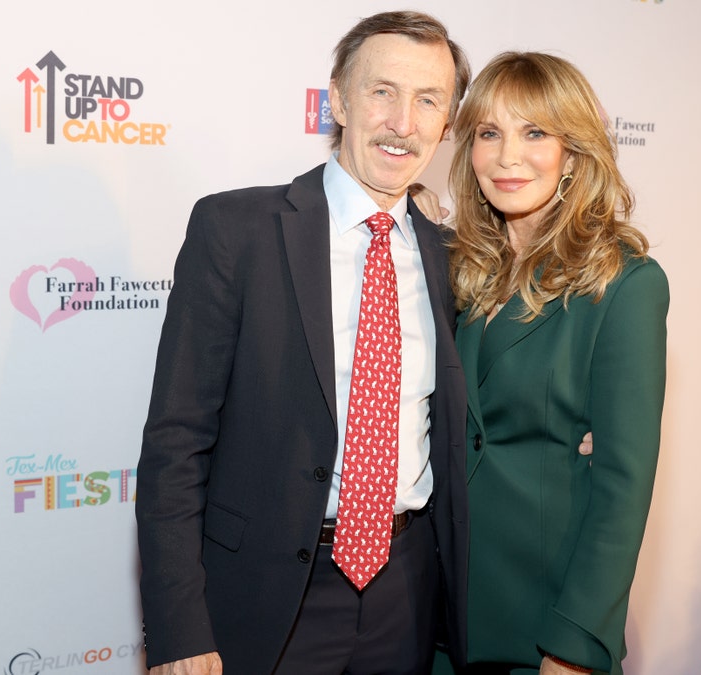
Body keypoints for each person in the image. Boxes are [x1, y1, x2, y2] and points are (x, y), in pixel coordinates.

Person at [135, 11, 472, 675]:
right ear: (340, 99)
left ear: (446, 121)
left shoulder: (448, 256)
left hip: (407, 589)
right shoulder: (237, 230)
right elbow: (176, 442)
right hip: (264, 593)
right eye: (382, 91)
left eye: (427, 99)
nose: (403, 121)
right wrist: (178, 626)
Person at [444, 52, 669, 675]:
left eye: (535, 132)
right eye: (489, 133)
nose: (507, 156)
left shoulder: (624, 283)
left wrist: (572, 648)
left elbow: (623, 484)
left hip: (541, 625)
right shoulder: (458, 269)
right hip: (441, 620)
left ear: (574, 151)